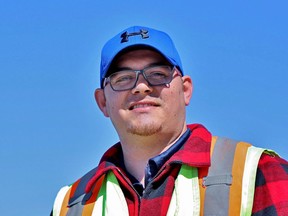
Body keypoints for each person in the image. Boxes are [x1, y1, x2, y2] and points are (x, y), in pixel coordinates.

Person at [51, 26, 288, 216]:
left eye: (158, 74)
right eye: (122, 78)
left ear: (185, 90)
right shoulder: (70, 204)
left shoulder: (259, 172)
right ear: (102, 102)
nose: (141, 87)